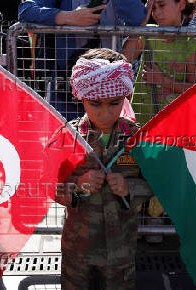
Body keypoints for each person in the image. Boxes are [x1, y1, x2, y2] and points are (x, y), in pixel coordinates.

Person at [53, 48, 151, 289]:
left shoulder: (136, 138)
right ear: (81, 97)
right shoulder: (68, 137)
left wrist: (130, 188)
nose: (105, 113)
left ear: (124, 98)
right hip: (79, 246)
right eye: (95, 104)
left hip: (121, 245)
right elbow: (51, 186)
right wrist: (78, 187)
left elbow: (153, 182)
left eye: (114, 103)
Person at [18, 0, 148, 120]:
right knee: (66, 140)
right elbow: (25, 11)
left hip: (110, 88)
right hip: (66, 90)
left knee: (109, 142)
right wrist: (69, 16)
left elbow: (139, 17)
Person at [123, 0, 196, 125]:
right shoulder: (147, 33)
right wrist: (142, 22)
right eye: (153, 8)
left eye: (162, 5)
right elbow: (127, 56)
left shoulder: (190, 42)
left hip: (173, 122)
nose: (157, 12)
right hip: (140, 118)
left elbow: (195, 89)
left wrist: (162, 80)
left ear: (181, 4)